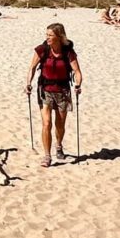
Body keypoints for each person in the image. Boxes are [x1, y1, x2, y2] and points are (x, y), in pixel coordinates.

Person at [25, 23, 82, 168]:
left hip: (62, 91)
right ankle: (47, 155)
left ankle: (58, 145)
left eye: (50, 35)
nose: (47, 38)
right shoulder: (42, 50)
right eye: (47, 35)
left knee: (60, 125)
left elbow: (77, 72)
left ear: (59, 36)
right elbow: (32, 68)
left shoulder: (68, 52)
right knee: (46, 123)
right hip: (45, 90)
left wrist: (77, 85)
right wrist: (28, 83)